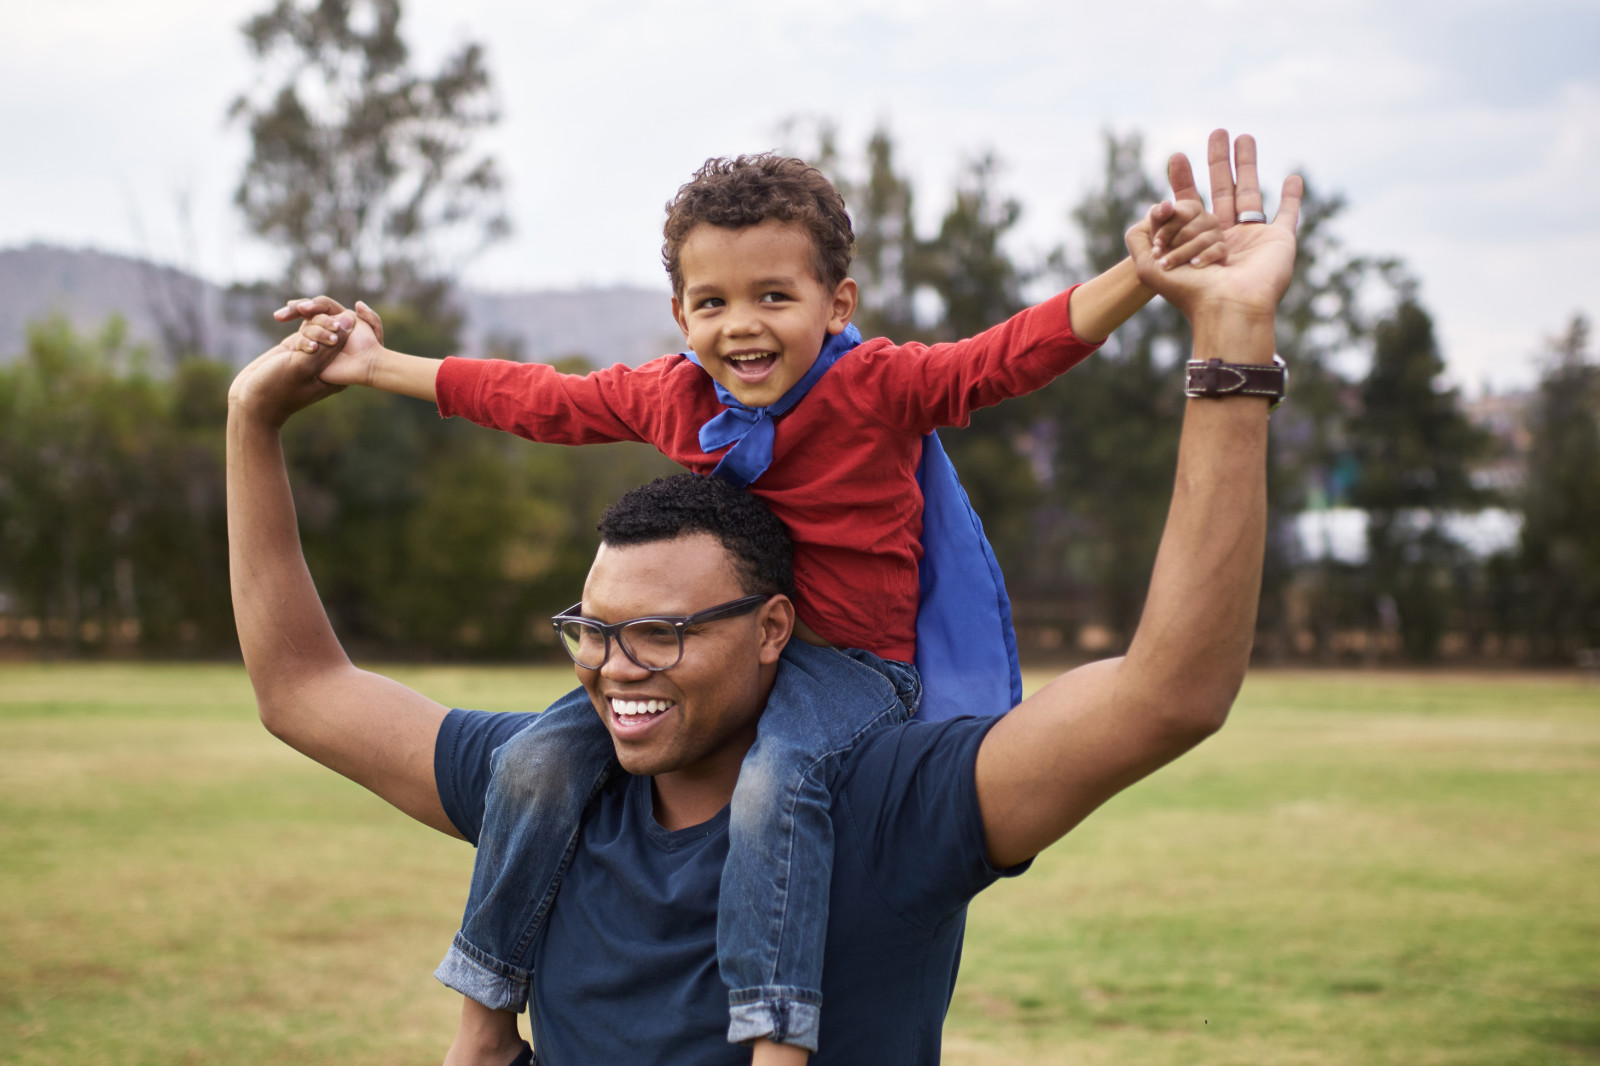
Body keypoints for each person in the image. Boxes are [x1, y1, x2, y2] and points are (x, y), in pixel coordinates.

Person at [230, 130, 1300, 1064]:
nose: (741, 325)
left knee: (774, 783)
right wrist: (355, 376)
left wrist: (1156, 290)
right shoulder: (672, 399)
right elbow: (530, 400)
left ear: (836, 305)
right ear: (680, 312)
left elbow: (1006, 358)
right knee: (531, 758)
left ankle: (776, 1031)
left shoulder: (890, 793)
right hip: (747, 681)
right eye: (601, 633)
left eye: (773, 296)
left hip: (852, 676)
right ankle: (479, 1013)